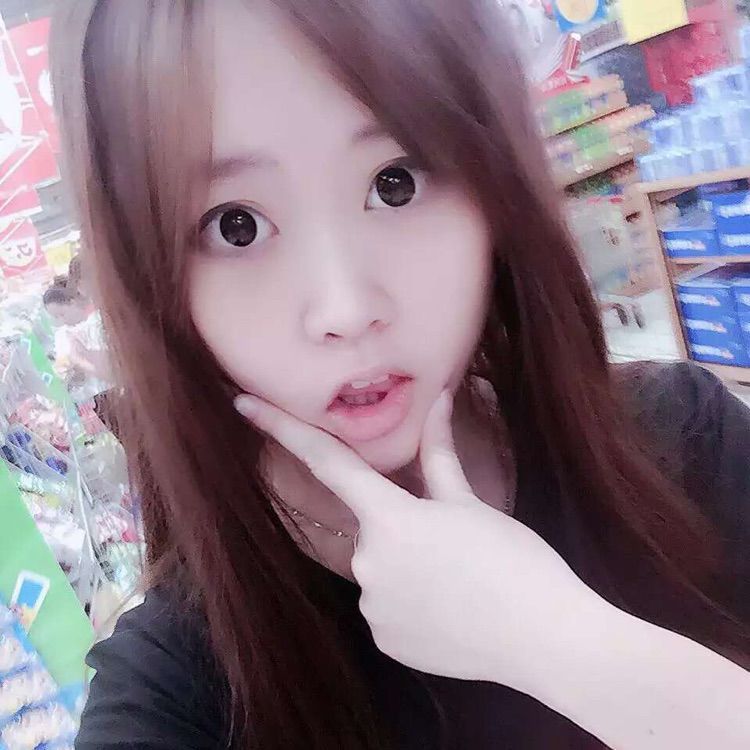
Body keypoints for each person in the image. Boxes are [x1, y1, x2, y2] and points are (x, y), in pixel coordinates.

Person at [51, 1, 749, 748]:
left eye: (395, 183)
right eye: (236, 226)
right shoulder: (179, 683)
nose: (346, 310)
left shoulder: (681, 444)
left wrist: (564, 647)